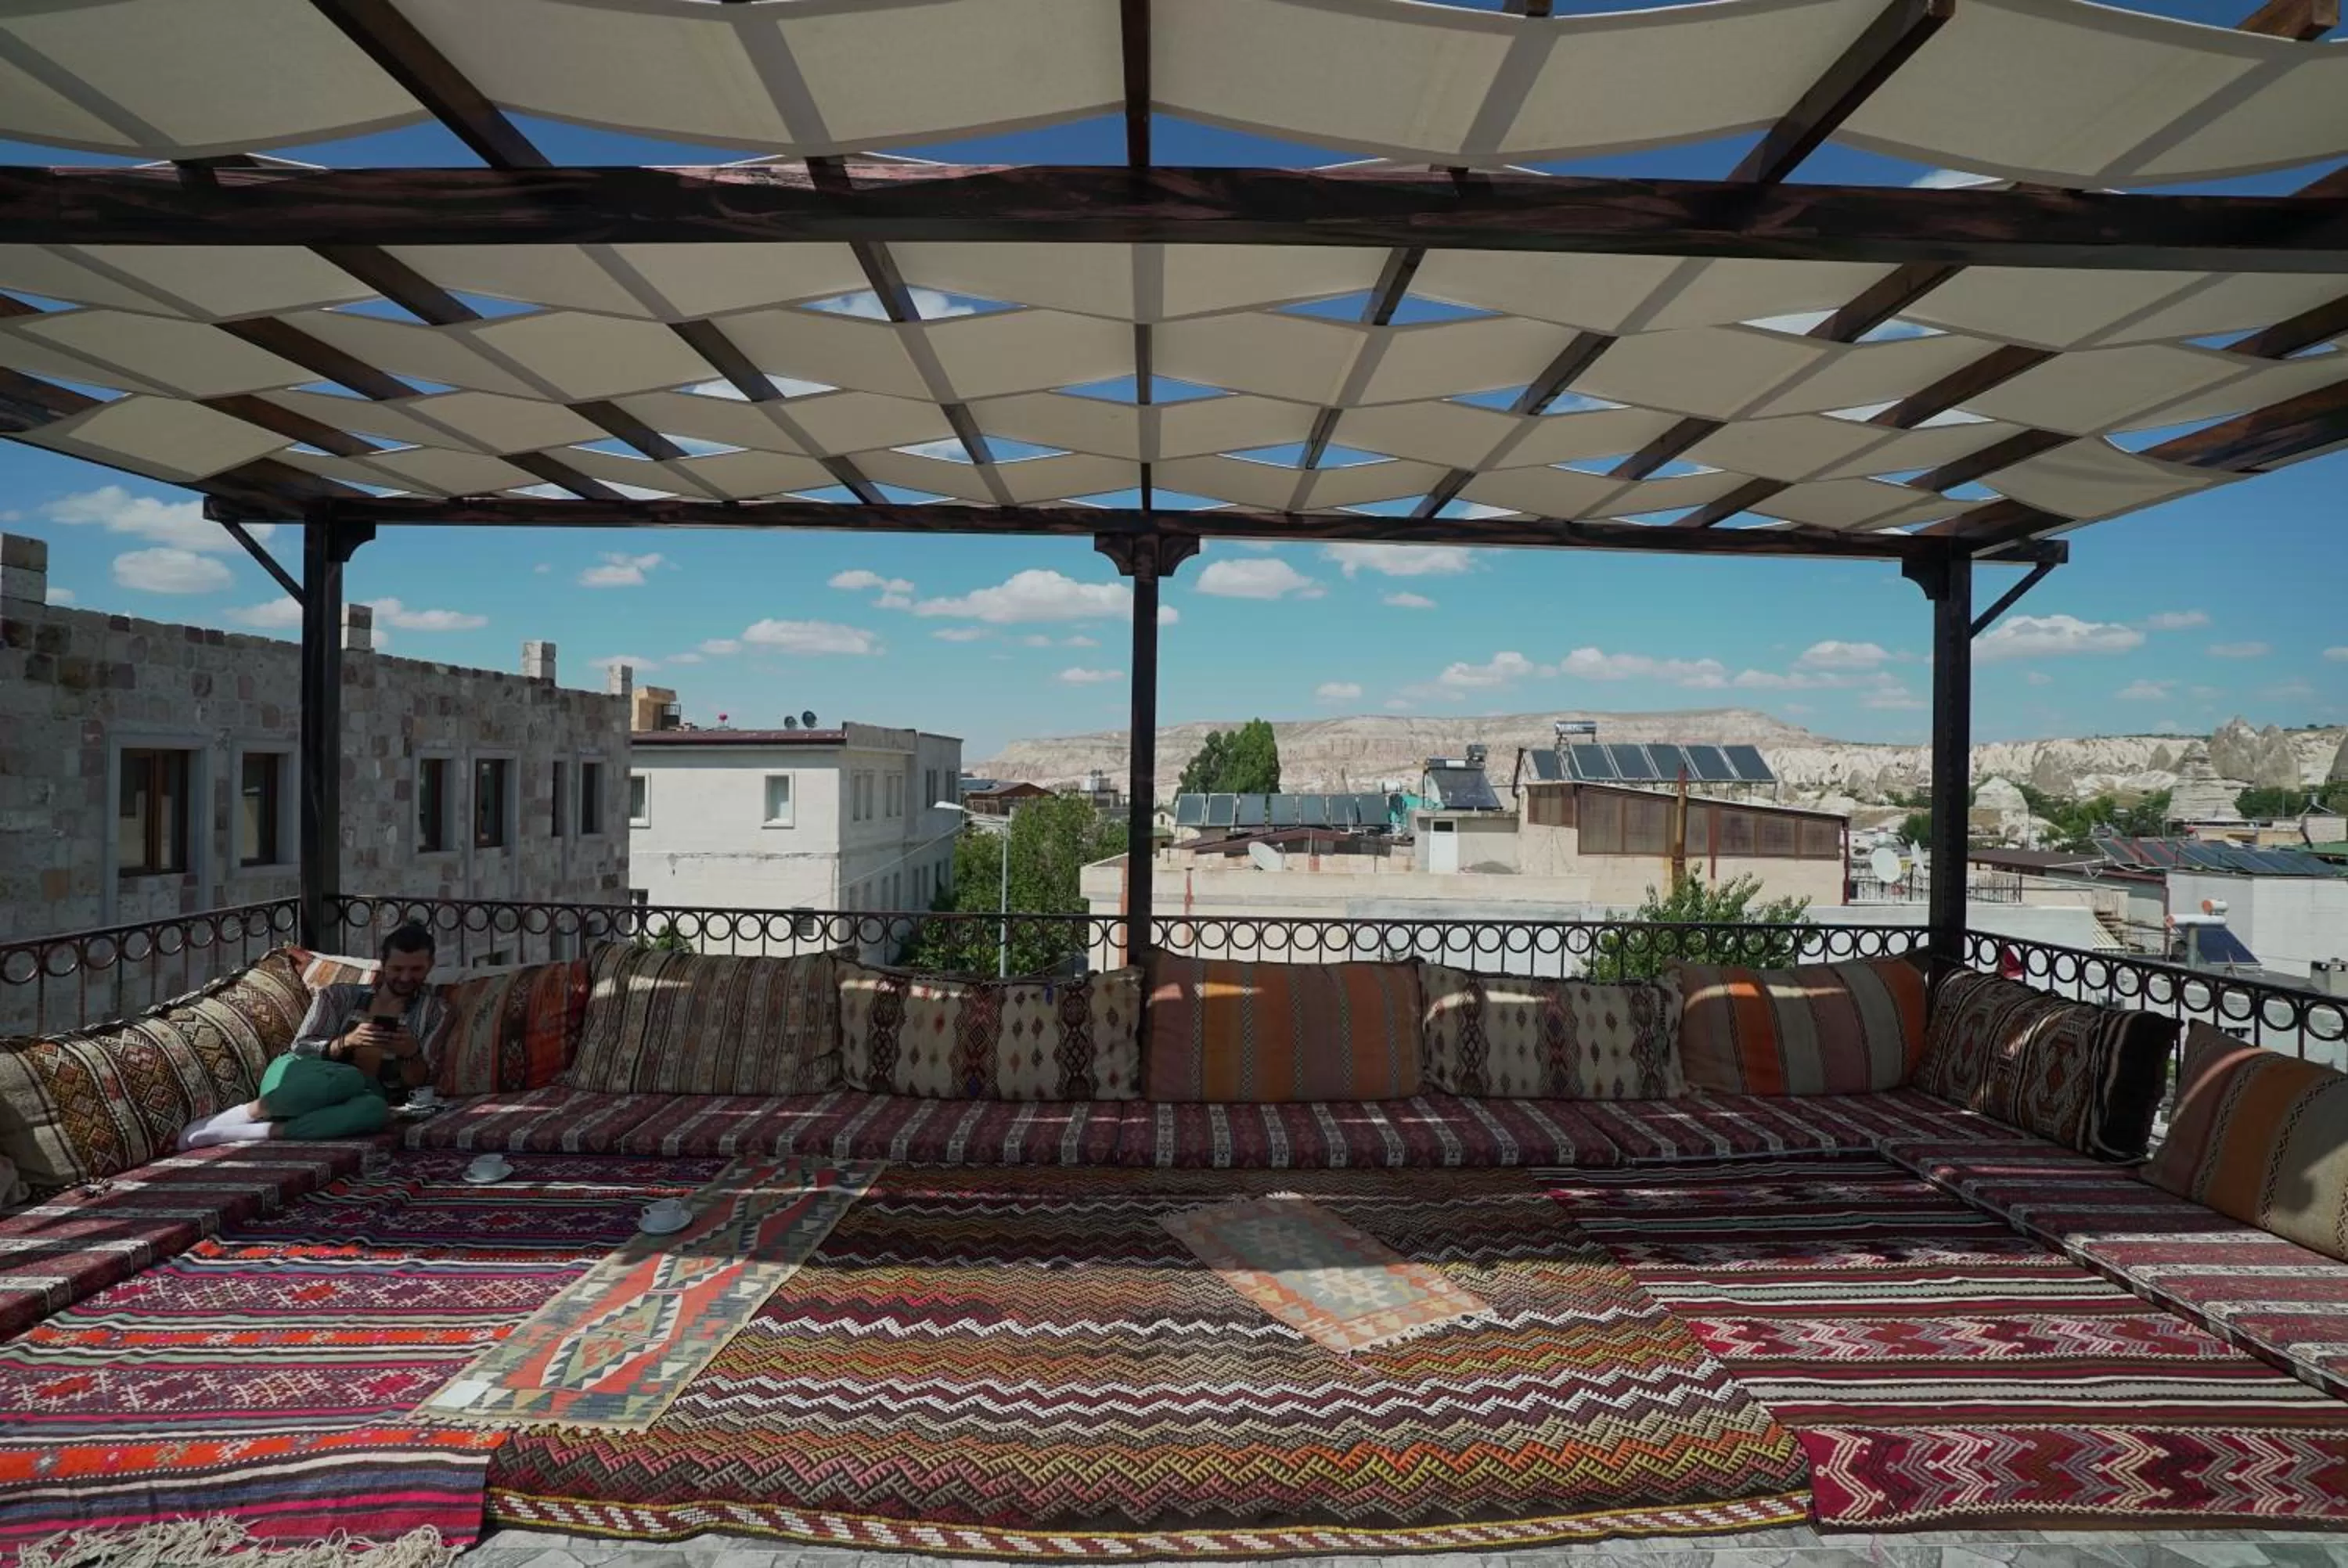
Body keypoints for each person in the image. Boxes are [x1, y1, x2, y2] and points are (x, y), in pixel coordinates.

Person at [178, 922, 446, 1148]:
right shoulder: (338, 995)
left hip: (360, 1093)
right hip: (296, 1079)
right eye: (398, 969)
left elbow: (421, 1082)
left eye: (416, 970)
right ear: (383, 964)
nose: (406, 977)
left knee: (375, 1110)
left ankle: (260, 1132)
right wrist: (346, 1042)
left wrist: (411, 1053)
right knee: (348, 1077)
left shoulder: (435, 1011)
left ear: (430, 966)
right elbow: (302, 1048)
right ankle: (244, 1114)